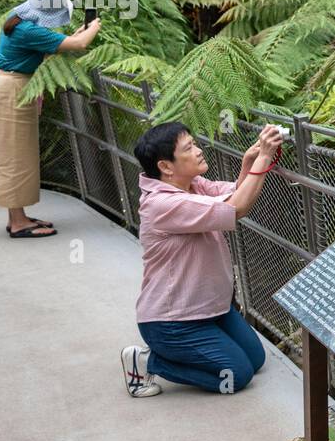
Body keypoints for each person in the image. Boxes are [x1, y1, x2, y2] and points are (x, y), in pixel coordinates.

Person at [120, 121, 284, 398]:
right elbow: (236, 208)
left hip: (211, 309)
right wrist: (265, 157)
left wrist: (249, 163)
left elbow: (233, 194)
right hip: (172, 322)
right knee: (236, 375)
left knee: (255, 359)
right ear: (166, 166)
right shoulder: (162, 204)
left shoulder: (191, 184)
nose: (198, 151)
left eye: (194, 144)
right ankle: (147, 361)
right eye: (189, 148)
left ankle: (191, 350)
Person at [0, 0, 101, 238]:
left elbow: (61, 42)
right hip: (11, 92)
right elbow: (79, 45)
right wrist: (95, 26)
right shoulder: (28, 31)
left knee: (18, 154)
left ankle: (19, 216)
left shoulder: (19, 19)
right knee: (14, 156)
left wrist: (81, 31)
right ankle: (18, 224)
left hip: (11, 88)